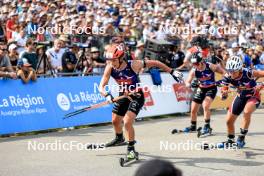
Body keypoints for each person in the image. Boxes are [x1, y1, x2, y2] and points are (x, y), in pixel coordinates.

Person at [98, 43, 183, 159]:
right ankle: (119, 138)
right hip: (123, 95)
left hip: (137, 96)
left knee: (127, 122)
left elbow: (156, 63)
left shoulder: (134, 65)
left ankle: (131, 150)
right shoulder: (110, 67)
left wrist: (172, 72)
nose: (111, 62)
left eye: (113, 60)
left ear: (121, 58)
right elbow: (101, 86)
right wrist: (106, 94)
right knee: (115, 121)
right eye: (109, 60)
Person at [218, 56, 264, 148]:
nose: (231, 73)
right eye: (229, 71)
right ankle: (230, 140)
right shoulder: (227, 76)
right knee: (228, 121)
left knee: (247, 111)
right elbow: (224, 93)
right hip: (240, 96)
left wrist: (262, 85)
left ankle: (241, 138)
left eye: (233, 71)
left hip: (253, 96)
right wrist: (224, 94)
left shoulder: (248, 72)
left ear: (239, 69)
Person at [182, 52, 225, 134]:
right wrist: (190, 85)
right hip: (201, 88)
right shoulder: (194, 70)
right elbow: (187, 82)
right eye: (194, 64)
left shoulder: (210, 66)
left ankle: (207, 126)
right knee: (193, 109)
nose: (195, 65)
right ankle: (193, 126)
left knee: (205, 105)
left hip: (211, 88)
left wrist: (222, 81)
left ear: (202, 61)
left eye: (197, 63)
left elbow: (225, 73)